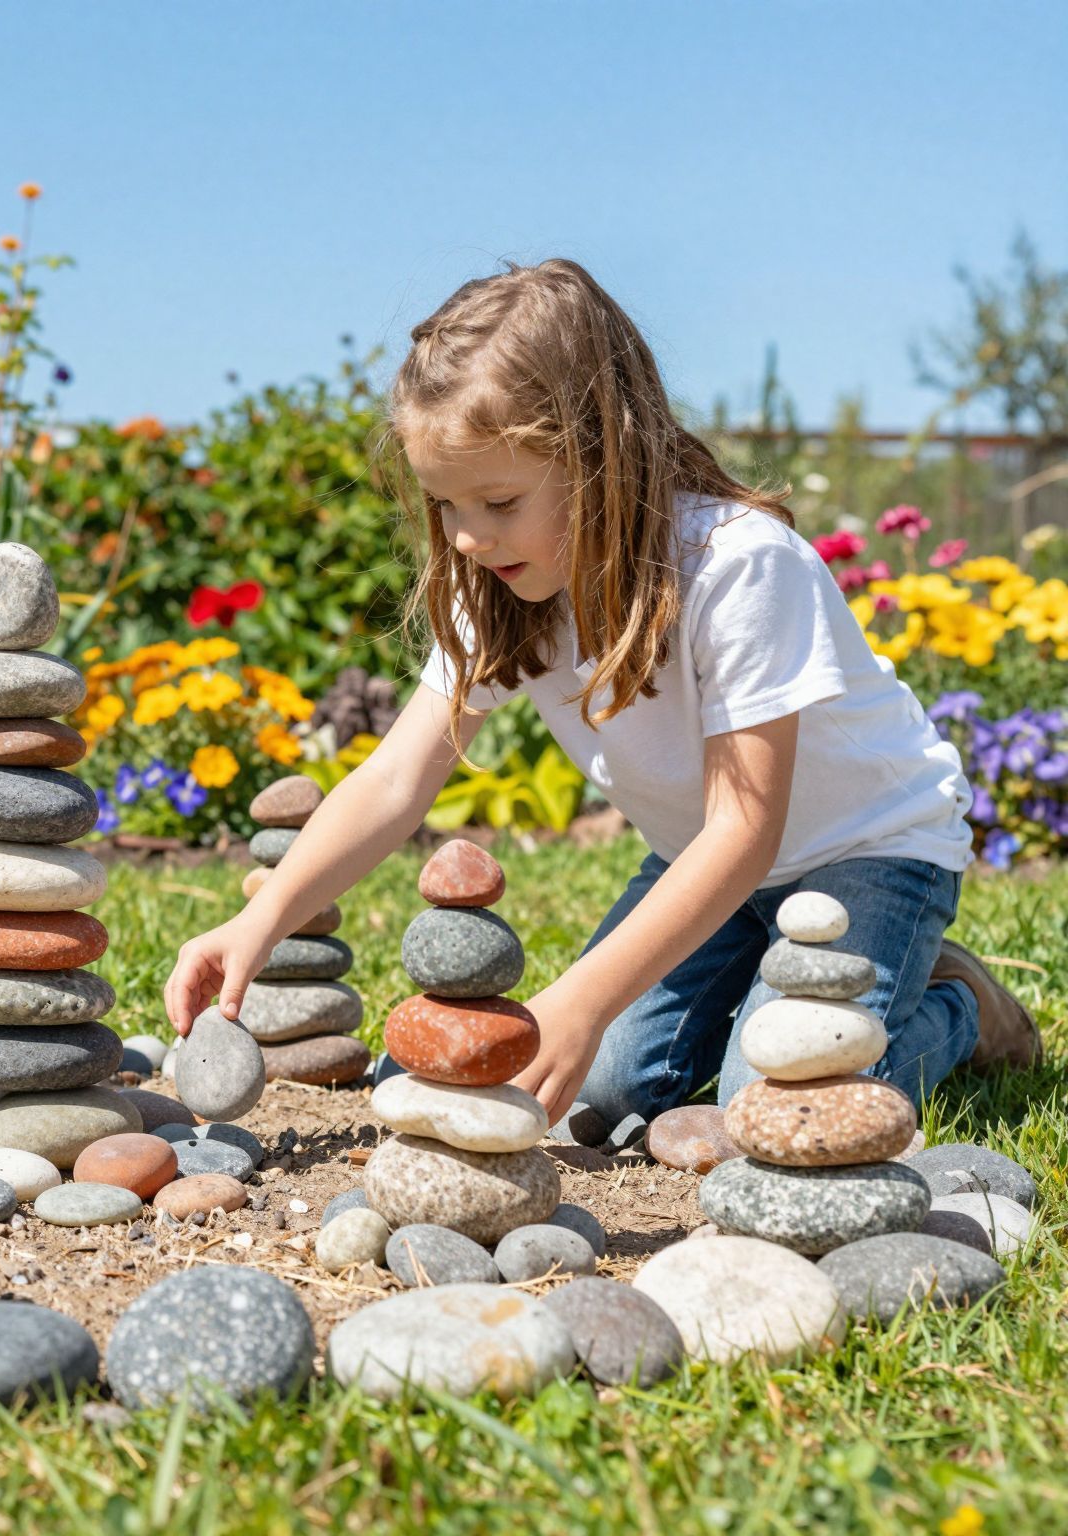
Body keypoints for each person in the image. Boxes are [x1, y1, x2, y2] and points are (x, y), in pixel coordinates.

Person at [164, 259, 1038, 1122]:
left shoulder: (738, 566)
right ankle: (765, 992)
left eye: (499, 501)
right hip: (698, 865)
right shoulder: (505, 590)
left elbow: (745, 830)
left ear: (599, 455)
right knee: (596, 1085)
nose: (467, 538)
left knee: (770, 1108)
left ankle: (959, 1007)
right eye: (446, 507)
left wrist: (576, 1001)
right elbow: (396, 783)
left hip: (867, 853)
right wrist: (264, 919)